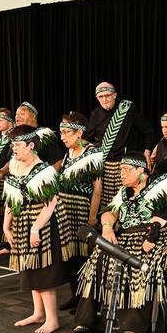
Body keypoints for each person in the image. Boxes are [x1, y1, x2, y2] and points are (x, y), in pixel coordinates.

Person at [74, 152, 167, 333]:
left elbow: (163, 216)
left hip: (153, 237)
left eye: (126, 170)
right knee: (98, 261)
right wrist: (108, 226)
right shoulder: (125, 192)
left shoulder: (162, 186)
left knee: (137, 267)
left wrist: (150, 237)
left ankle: (134, 327)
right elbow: (109, 212)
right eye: (120, 170)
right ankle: (89, 321)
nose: (122, 174)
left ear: (141, 171)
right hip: (125, 236)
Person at [2, 125, 68, 333]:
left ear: (31, 145)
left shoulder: (45, 170)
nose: (14, 149)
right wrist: (6, 224)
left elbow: (51, 203)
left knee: (42, 270)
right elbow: (12, 199)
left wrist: (35, 229)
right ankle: (38, 313)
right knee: (30, 267)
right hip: (23, 220)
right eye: (13, 145)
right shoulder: (14, 165)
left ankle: (52, 319)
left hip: (42, 222)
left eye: (18, 145)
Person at [57, 111, 103, 310]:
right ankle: (75, 295)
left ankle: (86, 300)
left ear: (79, 133)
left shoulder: (92, 152)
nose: (62, 137)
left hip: (81, 207)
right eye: (62, 133)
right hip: (64, 208)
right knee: (70, 254)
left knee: (83, 255)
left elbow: (97, 188)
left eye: (66, 133)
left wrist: (92, 217)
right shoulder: (69, 153)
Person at [85, 82, 154, 210]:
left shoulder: (127, 109)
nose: (105, 99)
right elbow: (87, 140)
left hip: (125, 165)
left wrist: (147, 151)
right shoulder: (95, 114)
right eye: (101, 97)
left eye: (108, 95)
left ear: (115, 95)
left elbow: (148, 130)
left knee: (124, 201)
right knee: (105, 203)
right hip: (104, 165)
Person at [14, 102, 66, 171]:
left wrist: (45, 179)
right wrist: (2, 171)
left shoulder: (45, 134)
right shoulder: (17, 137)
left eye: (22, 114)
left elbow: (58, 162)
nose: (17, 116)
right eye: (16, 114)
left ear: (33, 116)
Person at [0, 107, 15, 253]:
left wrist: (2, 171)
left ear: (10, 122)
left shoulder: (14, 136)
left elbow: (9, 157)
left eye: (1, 121)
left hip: (6, 175)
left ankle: (4, 236)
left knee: (6, 206)